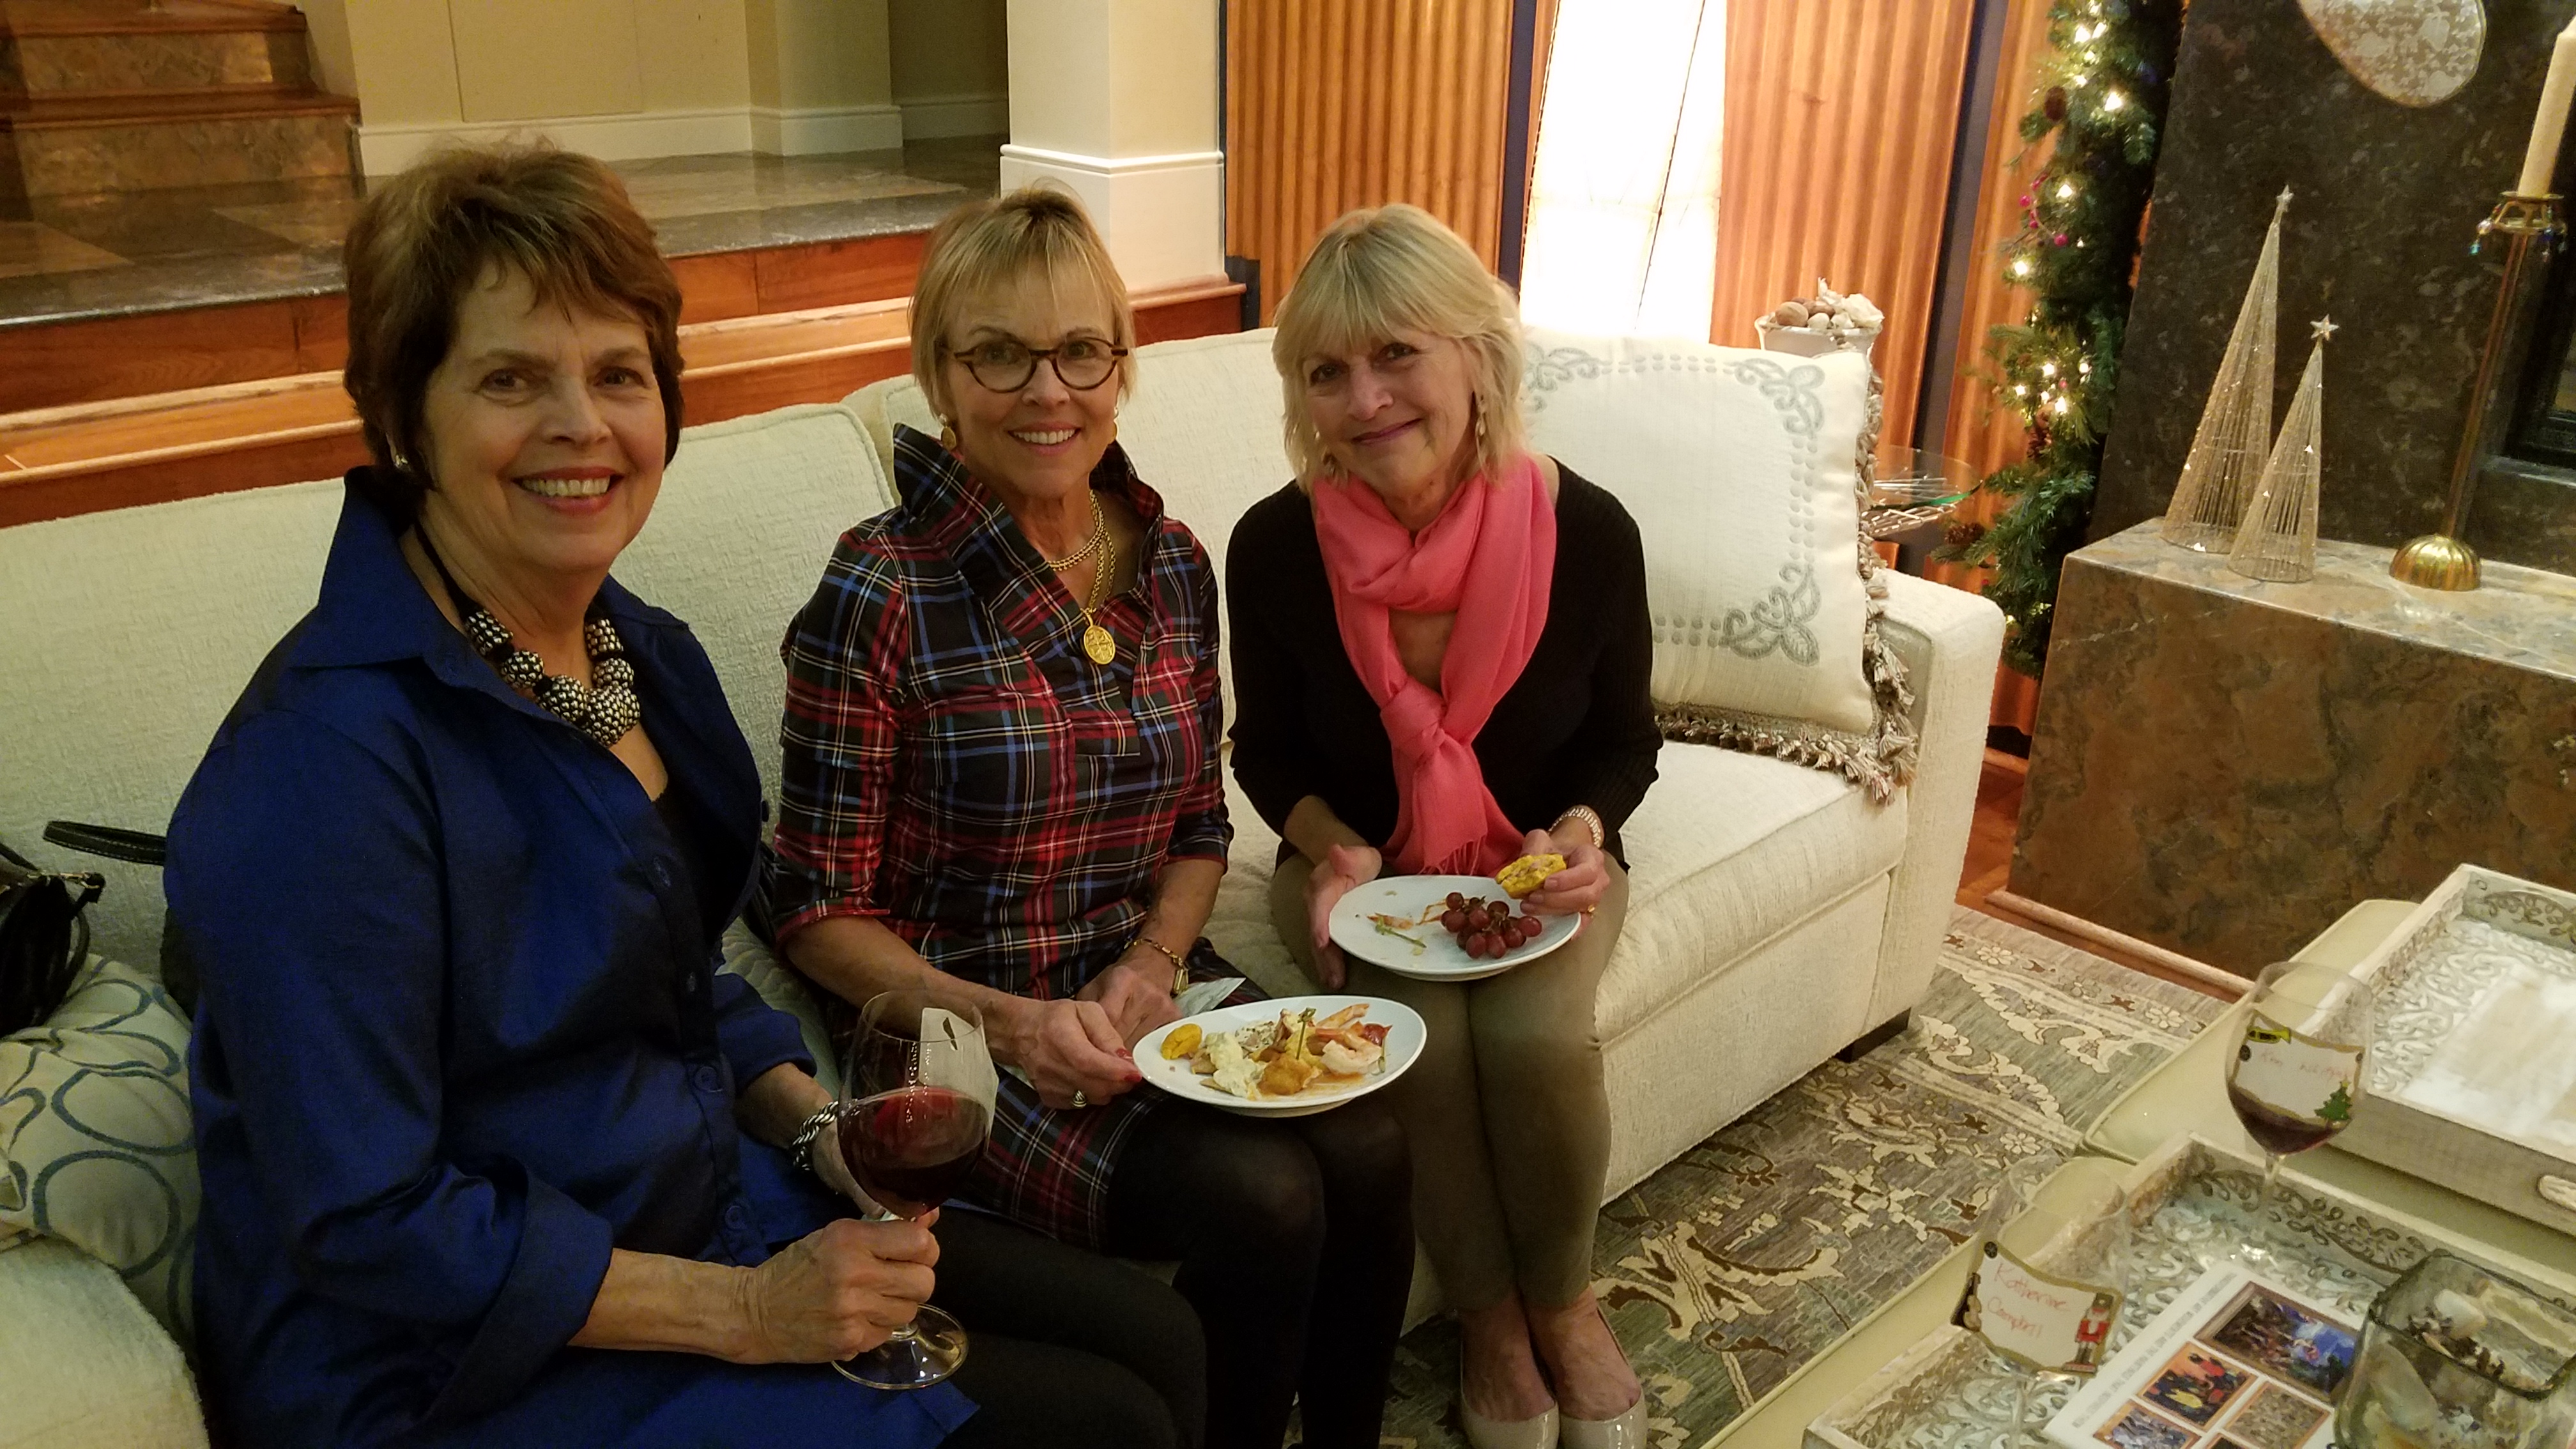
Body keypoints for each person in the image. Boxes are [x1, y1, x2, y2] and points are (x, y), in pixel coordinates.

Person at [165, 143, 1203, 1449]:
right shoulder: (321, 765)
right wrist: (747, 1313)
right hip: (454, 1359)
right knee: (1107, 1426)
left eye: (618, 374)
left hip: (695, 1208)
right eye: (510, 379)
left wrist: (820, 1129)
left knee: (1160, 1342)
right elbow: (369, 1219)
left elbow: (674, 984)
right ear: (404, 414)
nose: (582, 425)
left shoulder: (637, 657)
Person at [763, 186, 1414, 1449]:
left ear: (1122, 366)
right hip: (964, 1024)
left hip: (1144, 984)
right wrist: (1013, 1024)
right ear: (940, 376)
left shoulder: (1170, 561)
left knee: (1376, 1144)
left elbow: (1198, 828)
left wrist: (1153, 962)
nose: (1047, 391)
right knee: (1266, 1196)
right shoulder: (880, 588)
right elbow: (816, 912)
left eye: (1079, 352)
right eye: (999, 355)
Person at [1227, 203, 1662, 1449]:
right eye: (1328, 371)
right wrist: (1334, 845)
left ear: (1478, 354)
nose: (1365, 400)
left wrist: (1581, 828)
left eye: (1397, 354)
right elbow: (1266, 754)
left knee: (1533, 1039)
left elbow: (1625, 741)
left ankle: (1564, 1305)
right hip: (1355, 871)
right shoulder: (1272, 546)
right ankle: (1488, 1319)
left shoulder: (1589, 532)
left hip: (1536, 867)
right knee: (1416, 1041)